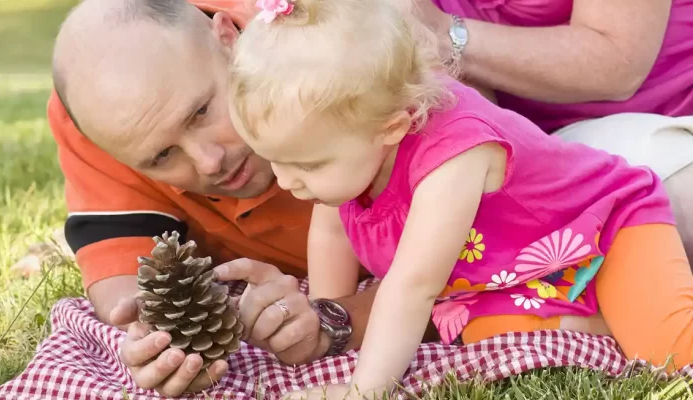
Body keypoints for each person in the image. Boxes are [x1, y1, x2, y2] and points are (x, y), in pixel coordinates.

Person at [225, 0, 693, 398]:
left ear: (392, 127)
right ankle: (599, 316)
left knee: (671, 354)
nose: (287, 183)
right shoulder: (352, 137)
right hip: (504, 278)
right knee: (503, 351)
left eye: (307, 166)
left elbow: (413, 285)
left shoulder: (455, 153)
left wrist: (363, 391)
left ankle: (630, 305)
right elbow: (331, 231)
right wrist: (323, 323)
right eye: (275, 161)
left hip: (603, 230)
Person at [49, 0, 400, 396]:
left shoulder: (345, 53)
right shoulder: (102, 114)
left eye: (200, 112)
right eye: (163, 156)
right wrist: (159, 343)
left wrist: (334, 322)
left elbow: (474, 269)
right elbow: (124, 288)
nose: (210, 161)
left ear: (230, 38)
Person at [404, 0, 693, 261]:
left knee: (673, 197)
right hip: (511, 134)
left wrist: (445, 36)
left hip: (645, 117)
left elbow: (617, 61)